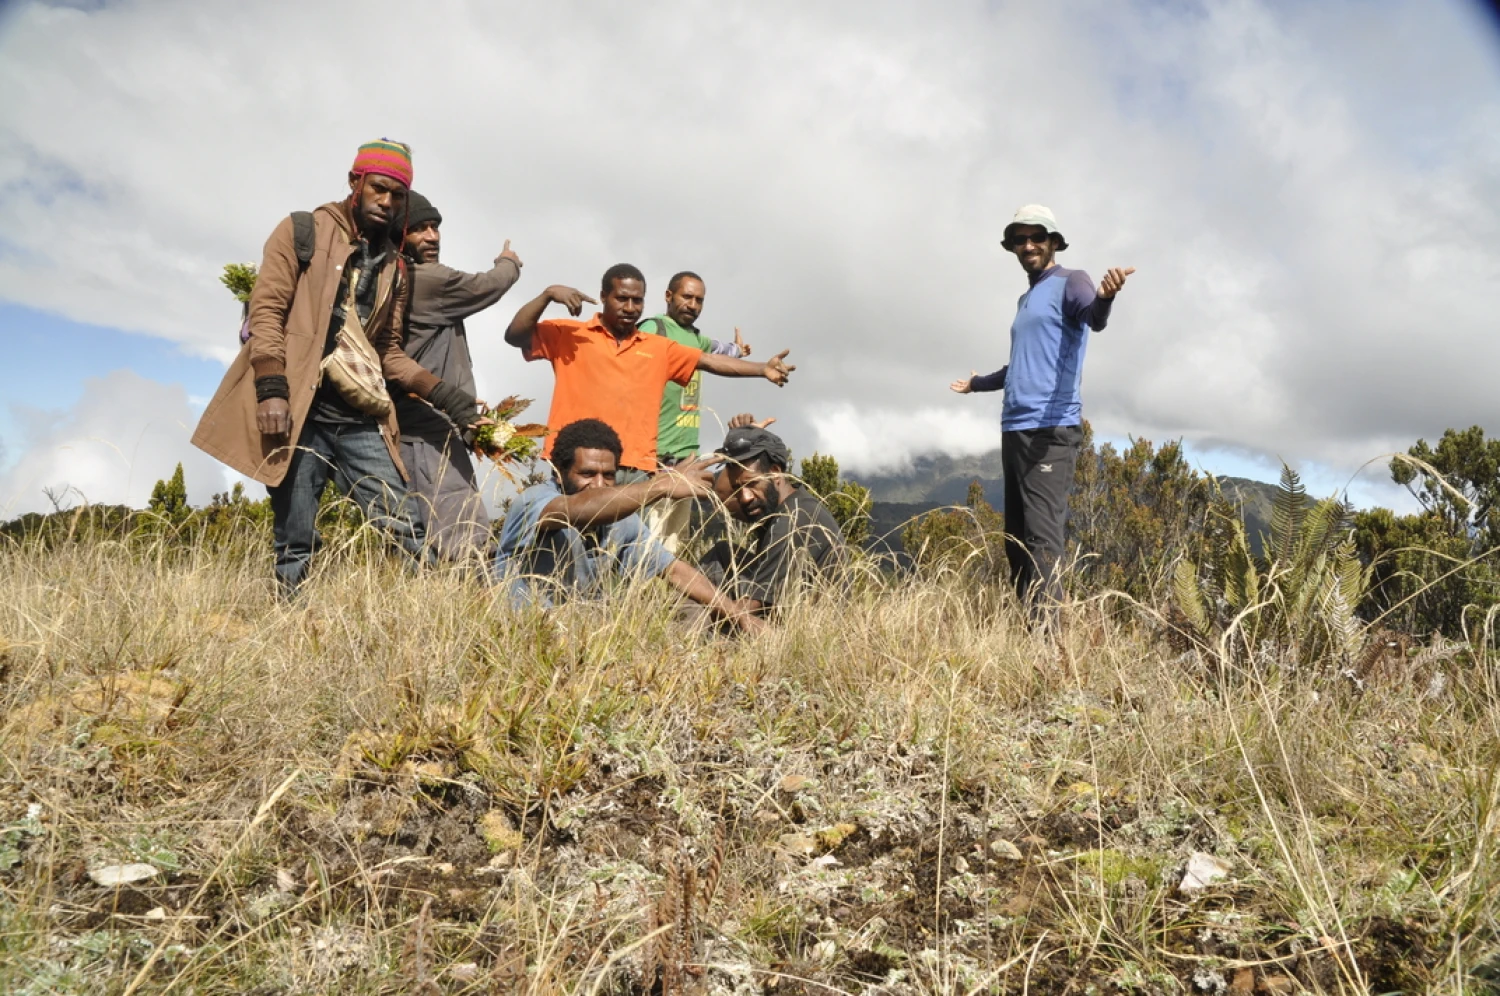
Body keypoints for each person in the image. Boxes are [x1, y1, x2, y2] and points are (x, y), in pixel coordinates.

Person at [192, 140, 483, 593]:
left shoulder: (396, 267)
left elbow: (387, 351)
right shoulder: (301, 231)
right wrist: (271, 388)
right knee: (295, 537)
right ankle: (289, 628)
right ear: (356, 182)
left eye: (397, 195)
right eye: (379, 189)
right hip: (297, 412)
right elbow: (266, 312)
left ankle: (419, 619)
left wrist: (448, 398)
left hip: (358, 416)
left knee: (402, 524)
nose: (387, 202)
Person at [949, 204, 1134, 615]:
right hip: (1015, 427)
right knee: (1015, 539)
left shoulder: (1073, 281)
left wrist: (1105, 298)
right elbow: (1023, 364)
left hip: (1051, 430)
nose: (1028, 245)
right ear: (1012, 247)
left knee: (1041, 539)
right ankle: (1030, 629)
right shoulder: (1027, 297)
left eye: (1037, 237)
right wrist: (977, 384)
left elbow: (1093, 318)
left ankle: (1047, 647)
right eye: (1020, 239)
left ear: (1053, 242)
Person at [503, 264, 794, 484]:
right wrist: (546, 295)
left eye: (638, 301)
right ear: (604, 296)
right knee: (570, 551)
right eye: (622, 298)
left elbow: (708, 361)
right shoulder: (569, 334)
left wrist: (761, 369)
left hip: (635, 467)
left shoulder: (657, 347)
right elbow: (515, 336)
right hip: (576, 464)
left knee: (629, 557)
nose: (630, 308)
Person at [493, 418, 763, 633]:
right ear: (560, 472)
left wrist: (740, 616)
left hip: (585, 640)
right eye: (587, 474)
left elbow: (675, 571)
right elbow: (579, 508)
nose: (599, 483)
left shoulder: (621, 520)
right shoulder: (535, 501)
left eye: (608, 475)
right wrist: (661, 486)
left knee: (695, 612)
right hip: (522, 635)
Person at [396, 190, 523, 560]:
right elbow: (489, 285)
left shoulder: (399, 278)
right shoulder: (423, 280)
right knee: (461, 540)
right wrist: (509, 261)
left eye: (435, 227)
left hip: (429, 429)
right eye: (419, 229)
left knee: (426, 538)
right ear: (398, 236)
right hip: (426, 436)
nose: (432, 237)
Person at [638, 270, 752, 552]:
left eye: (699, 300)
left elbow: (718, 351)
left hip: (687, 458)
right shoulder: (653, 329)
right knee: (644, 545)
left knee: (673, 546)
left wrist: (738, 349)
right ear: (668, 296)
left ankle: (656, 598)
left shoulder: (695, 338)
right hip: (654, 457)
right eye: (686, 297)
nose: (693, 305)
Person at [699, 419, 848, 615]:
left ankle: (683, 637)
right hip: (786, 602)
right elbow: (723, 496)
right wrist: (739, 443)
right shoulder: (783, 502)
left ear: (775, 472)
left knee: (701, 589)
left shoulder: (791, 520)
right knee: (722, 552)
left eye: (752, 484)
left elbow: (750, 608)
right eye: (739, 488)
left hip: (806, 621)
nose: (745, 498)